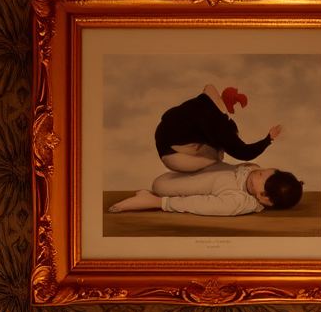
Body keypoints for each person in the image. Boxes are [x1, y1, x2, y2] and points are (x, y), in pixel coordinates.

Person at [109, 83, 303, 217]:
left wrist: (160, 203)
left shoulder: (237, 201)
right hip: (197, 168)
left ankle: (148, 197)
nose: (256, 173)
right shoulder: (250, 174)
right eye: (262, 172)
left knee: (159, 185)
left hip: (177, 187)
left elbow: (200, 205)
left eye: (259, 179)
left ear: (264, 199)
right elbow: (245, 160)